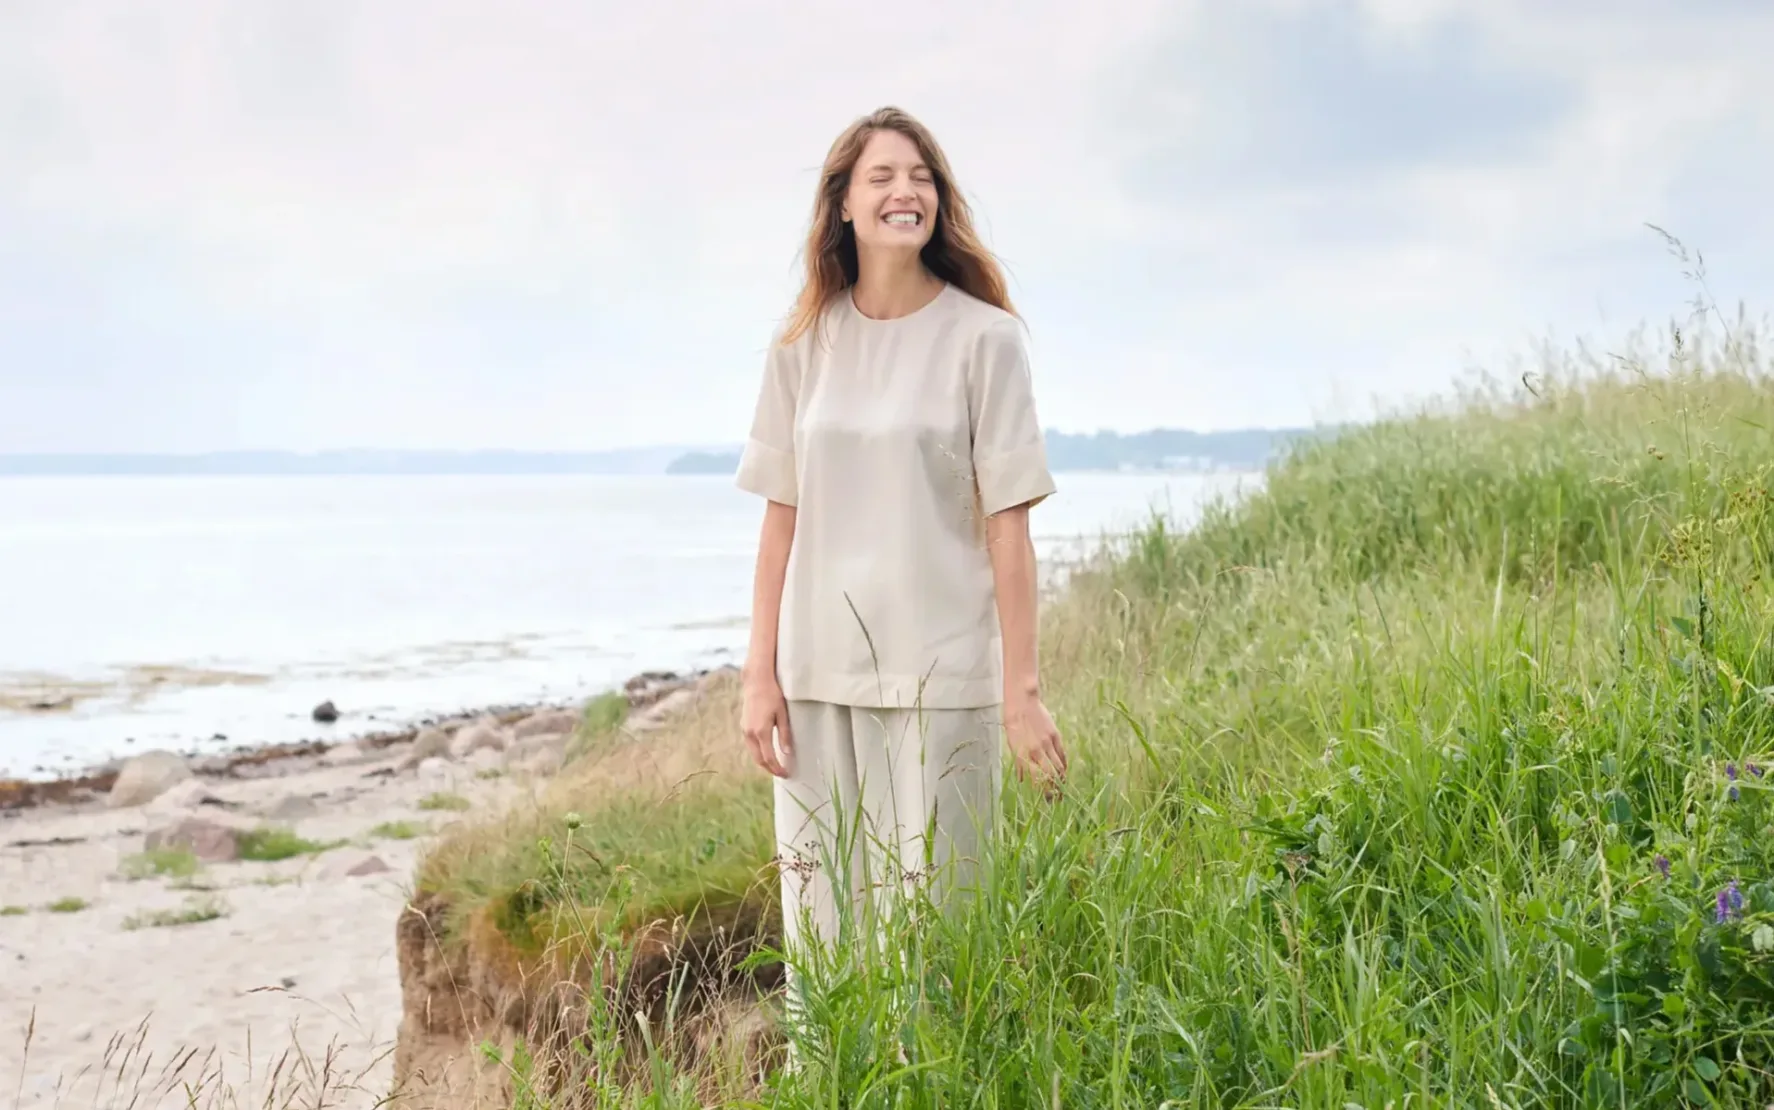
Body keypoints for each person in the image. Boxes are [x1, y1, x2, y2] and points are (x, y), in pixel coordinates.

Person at [734, 106, 1069, 988]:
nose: (904, 191)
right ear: (842, 203)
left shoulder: (986, 340)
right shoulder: (802, 344)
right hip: (814, 683)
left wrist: (1021, 690)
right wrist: (758, 674)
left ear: (939, 201)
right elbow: (780, 520)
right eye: (881, 176)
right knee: (824, 939)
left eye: (920, 176)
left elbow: (1009, 525)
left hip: (942, 676)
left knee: (939, 938)